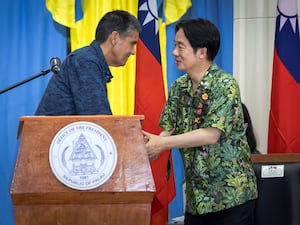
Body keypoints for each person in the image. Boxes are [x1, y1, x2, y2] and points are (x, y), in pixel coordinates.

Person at [142, 18, 258, 225]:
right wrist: (152, 145)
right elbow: (170, 128)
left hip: (230, 198)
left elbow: (211, 134)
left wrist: (163, 144)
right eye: (175, 46)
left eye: (180, 46)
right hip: (196, 199)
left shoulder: (225, 85)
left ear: (202, 52)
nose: (174, 52)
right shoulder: (179, 87)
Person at [35, 10, 141, 115]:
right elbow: (98, 119)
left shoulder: (90, 60)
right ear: (115, 38)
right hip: (49, 132)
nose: (133, 52)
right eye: (132, 44)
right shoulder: (85, 61)